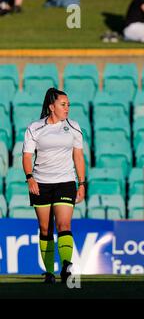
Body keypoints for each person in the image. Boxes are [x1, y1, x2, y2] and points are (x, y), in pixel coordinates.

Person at [22, 88, 86, 284]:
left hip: (66, 182)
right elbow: (26, 156)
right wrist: (30, 178)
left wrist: (82, 183)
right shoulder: (35, 128)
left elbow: (78, 156)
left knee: (64, 225)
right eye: (63, 104)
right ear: (52, 107)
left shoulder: (73, 127)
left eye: (68, 105)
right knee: (44, 228)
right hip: (41, 184)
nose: (67, 108)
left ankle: (66, 264)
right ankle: (49, 272)